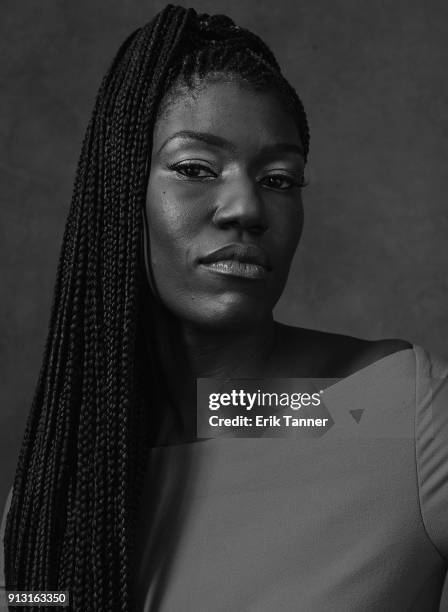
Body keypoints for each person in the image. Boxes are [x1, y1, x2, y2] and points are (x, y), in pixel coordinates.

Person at [1, 4, 447, 611]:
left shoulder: (399, 410)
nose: (246, 207)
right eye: (194, 168)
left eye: (280, 179)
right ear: (120, 193)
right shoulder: (58, 490)